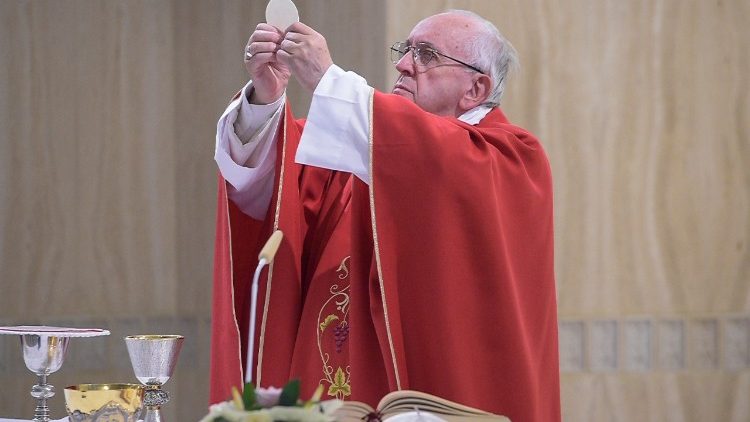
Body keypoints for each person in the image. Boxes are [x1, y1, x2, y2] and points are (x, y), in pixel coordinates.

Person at [210, 9, 560, 421]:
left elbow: (434, 158)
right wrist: (264, 99)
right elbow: (270, 185)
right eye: (406, 49)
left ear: (476, 88)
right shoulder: (356, 153)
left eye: (426, 54)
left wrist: (326, 78)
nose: (403, 63)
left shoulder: (508, 158)